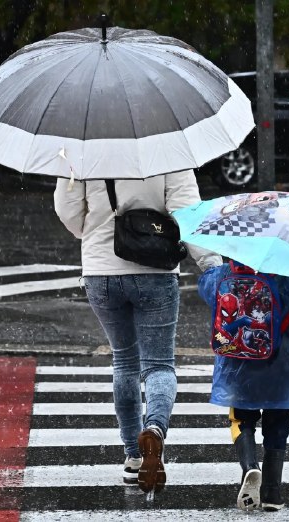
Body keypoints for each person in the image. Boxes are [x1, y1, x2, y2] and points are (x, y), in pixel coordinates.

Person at [54, 172, 222, 493]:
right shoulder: (169, 142)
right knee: (158, 365)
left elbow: (68, 211)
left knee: (124, 363)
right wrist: (212, 266)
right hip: (154, 267)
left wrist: (95, 227)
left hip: (101, 269)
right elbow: (187, 212)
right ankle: (155, 428)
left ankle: (133, 457)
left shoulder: (84, 145)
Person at [197, 261, 289, 511]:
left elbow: (209, 293)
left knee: (241, 418)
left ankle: (250, 467)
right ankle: (272, 493)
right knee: (278, 424)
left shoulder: (228, 270)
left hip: (239, 362)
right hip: (283, 359)